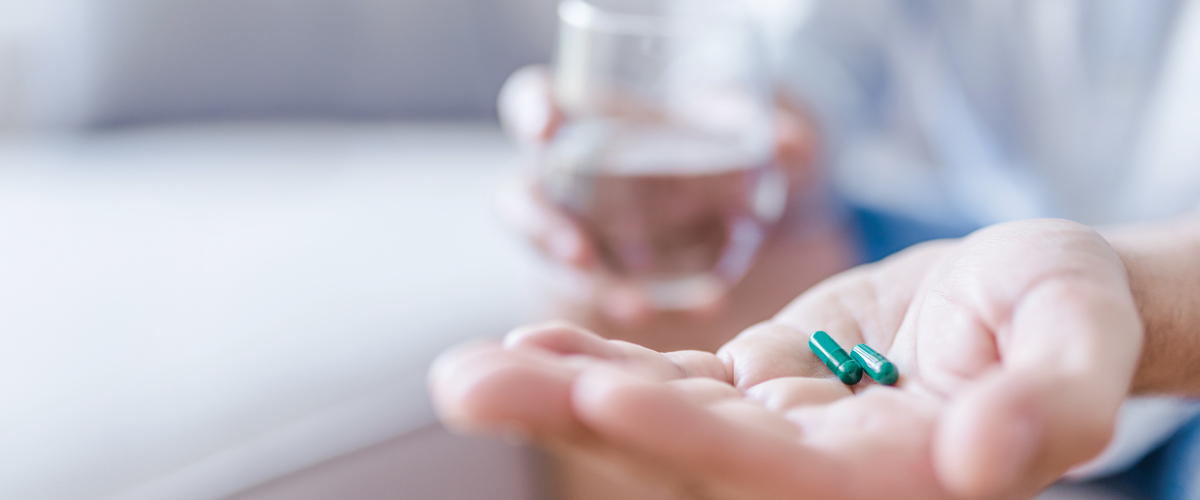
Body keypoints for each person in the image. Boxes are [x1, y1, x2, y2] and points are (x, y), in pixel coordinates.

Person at [435, 0, 1200, 497]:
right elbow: (821, 48)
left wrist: (1155, 301)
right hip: (989, 230)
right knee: (645, 261)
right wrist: (741, 143)